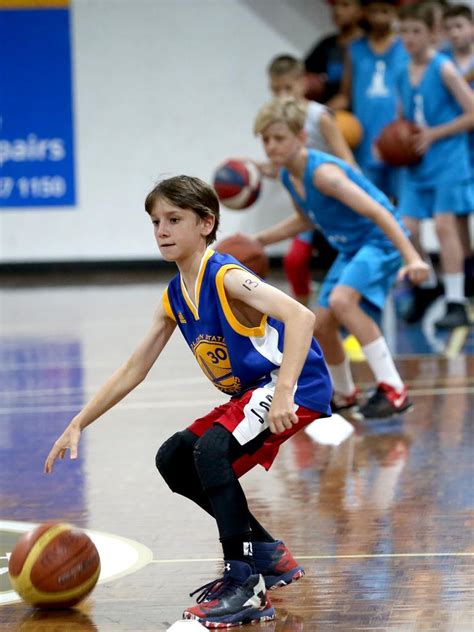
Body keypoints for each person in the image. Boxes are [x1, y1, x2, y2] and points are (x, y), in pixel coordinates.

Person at [44, 175, 333, 628]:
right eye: (156, 221)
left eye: (174, 219)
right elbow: (134, 369)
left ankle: (245, 584)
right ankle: (267, 554)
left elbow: (302, 316)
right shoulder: (175, 295)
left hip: (291, 385)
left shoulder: (228, 275)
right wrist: (80, 421)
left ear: (205, 223)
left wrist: (283, 393)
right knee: (175, 458)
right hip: (252, 392)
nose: (161, 230)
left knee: (211, 451)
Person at [252, 97, 430, 419]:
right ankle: (345, 393)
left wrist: (412, 258)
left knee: (342, 300)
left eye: (279, 138)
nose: (271, 146)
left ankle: (394, 389)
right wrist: (259, 240)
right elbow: (306, 219)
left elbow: (378, 210)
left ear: (301, 138)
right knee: (320, 324)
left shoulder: (324, 174)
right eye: (266, 139)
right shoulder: (289, 177)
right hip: (353, 248)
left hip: (379, 240)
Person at [396, 2, 474, 328]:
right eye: (404, 32)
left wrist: (435, 133)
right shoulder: (401, 72)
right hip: (417, 162)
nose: (409, 38)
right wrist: (392, 141)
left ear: (432, 34)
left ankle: (456, 301)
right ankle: (428, 287)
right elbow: (402, 117)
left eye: (416, 31)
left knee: (444, 227)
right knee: (407, 229)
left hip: (448, 157)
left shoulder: (443, 68)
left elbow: (472, 113)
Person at [262, 53, 356, 306]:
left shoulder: (320, 116)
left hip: (334, 198)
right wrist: (252, 171)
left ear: (304, 83)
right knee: (295, 260)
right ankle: (302, 314)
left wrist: (348, 189)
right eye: (276, 89)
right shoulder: (276, 122)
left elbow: (348, 162)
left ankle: (344, 310)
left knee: (342, 259)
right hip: (308, 202)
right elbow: (278, 167)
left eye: (288, 88)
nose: (282, 95)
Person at [331, 0, 408, 198]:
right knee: (367, 202)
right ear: (364, 12)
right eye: (374, 11)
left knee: (399, 206)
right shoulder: (354, 48)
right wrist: (316, 113)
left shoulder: (406, 45)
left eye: (385, 10)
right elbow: (344, 96)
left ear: (395, 12)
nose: (379, 17)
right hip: (364, 137)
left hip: (398, 135)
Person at [443, 3, 474, 297]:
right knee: (459, 217)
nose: (454, 33)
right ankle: (467, 272)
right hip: (456, 150)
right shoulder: (442, 64)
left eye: (460, 26)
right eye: (449, 28)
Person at [305, 0, 364, 106]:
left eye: (345, 5)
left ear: (360, 11)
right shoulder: (327, 44)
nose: (338, 11)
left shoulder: (368, 45)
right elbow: (304, 74)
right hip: (329, 110)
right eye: (335, 5)